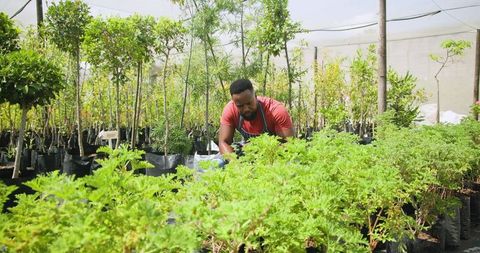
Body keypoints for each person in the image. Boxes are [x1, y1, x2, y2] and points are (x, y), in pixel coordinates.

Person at [218, 79, 294, 155]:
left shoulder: (276, 111)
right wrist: (235, 164)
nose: (246, 109)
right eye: (240, 106)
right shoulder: (230, 110)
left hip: (274, 154)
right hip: (248, 154)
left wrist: (260, 150)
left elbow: (288, 145)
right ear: (234, 103)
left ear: (255, 96)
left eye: (249, 103)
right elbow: (223, 142)